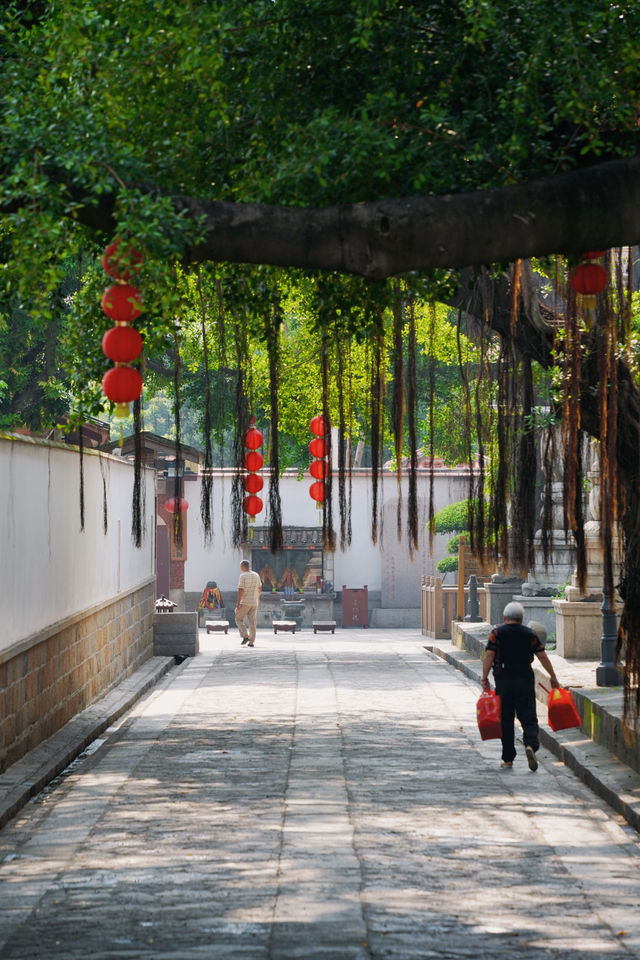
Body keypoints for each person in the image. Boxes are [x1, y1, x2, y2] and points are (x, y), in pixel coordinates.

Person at [481, 601, 560, 771]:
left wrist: (484, 678)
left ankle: (508, 758)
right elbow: (543, 657)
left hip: (504, 681)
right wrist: (553, 677)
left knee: (506, 720)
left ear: (504, 618)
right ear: (521, 619)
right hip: (524, 679)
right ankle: (531, 745)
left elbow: (489, 656)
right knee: (529, 717)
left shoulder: (496, 633)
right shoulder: (529, 634)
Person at [235, 559, 262, 648]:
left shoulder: (243, 576)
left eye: (240, 566)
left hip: (245, 602)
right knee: (252, 622)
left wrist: (238, 602)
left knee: (238, 619)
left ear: (243, 566)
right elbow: (259, 588)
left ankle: (245, 636)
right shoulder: (256, 575)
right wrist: (258, 598)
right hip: (254, 602)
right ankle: (251, 642)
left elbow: (240, 589)